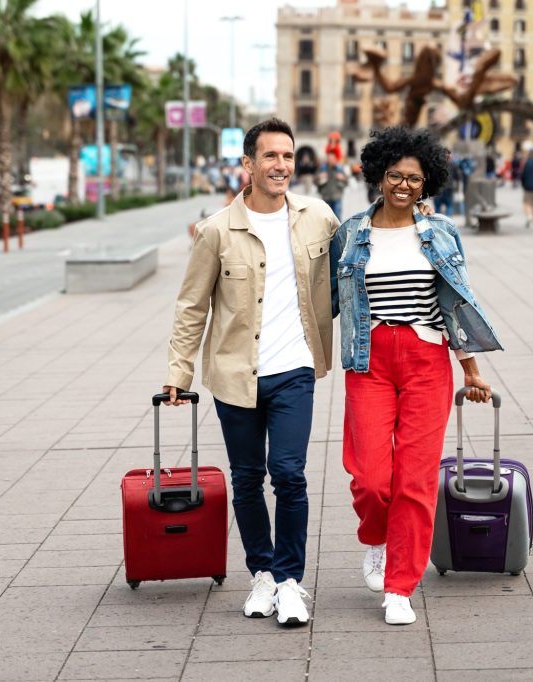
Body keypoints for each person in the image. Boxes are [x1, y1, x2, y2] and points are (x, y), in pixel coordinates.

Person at [163, 118, 340, 627]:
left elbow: (362, 243)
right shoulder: (217, 230)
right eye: (270, 157)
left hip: (295, 369)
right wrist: (179, 373)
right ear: (248, 164)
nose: (281, 165)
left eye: (287, 156)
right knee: (246, 479)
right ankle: (261, 573)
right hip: (235, 373)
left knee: (289, 474)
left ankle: (289, 581)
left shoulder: (318, 217)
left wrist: (417, 212)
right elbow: (191, 305)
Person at [331, 126, 502, 626]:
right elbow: (328, 304)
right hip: (370, 360)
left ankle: (400, 585)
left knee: (415, 479)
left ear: (426, 184)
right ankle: (377, 540)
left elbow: (456, 303)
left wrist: (471, 370)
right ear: (378, 176)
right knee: (370, 478)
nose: (404, 185)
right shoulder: (350, 233)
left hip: (427, 359)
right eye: (395, 176)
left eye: (414, 178)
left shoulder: (440, 232)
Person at [316, 152, 349, 220]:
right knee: (327, 217)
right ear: (327, 159)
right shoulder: (322, 168)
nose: (330, 160)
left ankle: (338, 230)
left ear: (335, 159)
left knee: (337, 216)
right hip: (326, 197)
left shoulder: (339, 168)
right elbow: (315, 180)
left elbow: (347, 181)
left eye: (332, 158)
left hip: (337, 196)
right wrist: (319, 176)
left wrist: (342, 178)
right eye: (329, 158)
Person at [433, 149, 461, 217]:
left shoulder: (436, 163)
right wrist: (457, 187)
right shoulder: (452, 164)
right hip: (449, 188)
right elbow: (457, 176)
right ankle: (448, 223)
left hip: (438, 188)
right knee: (449, 206)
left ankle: (438, 223)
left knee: (438, 208)